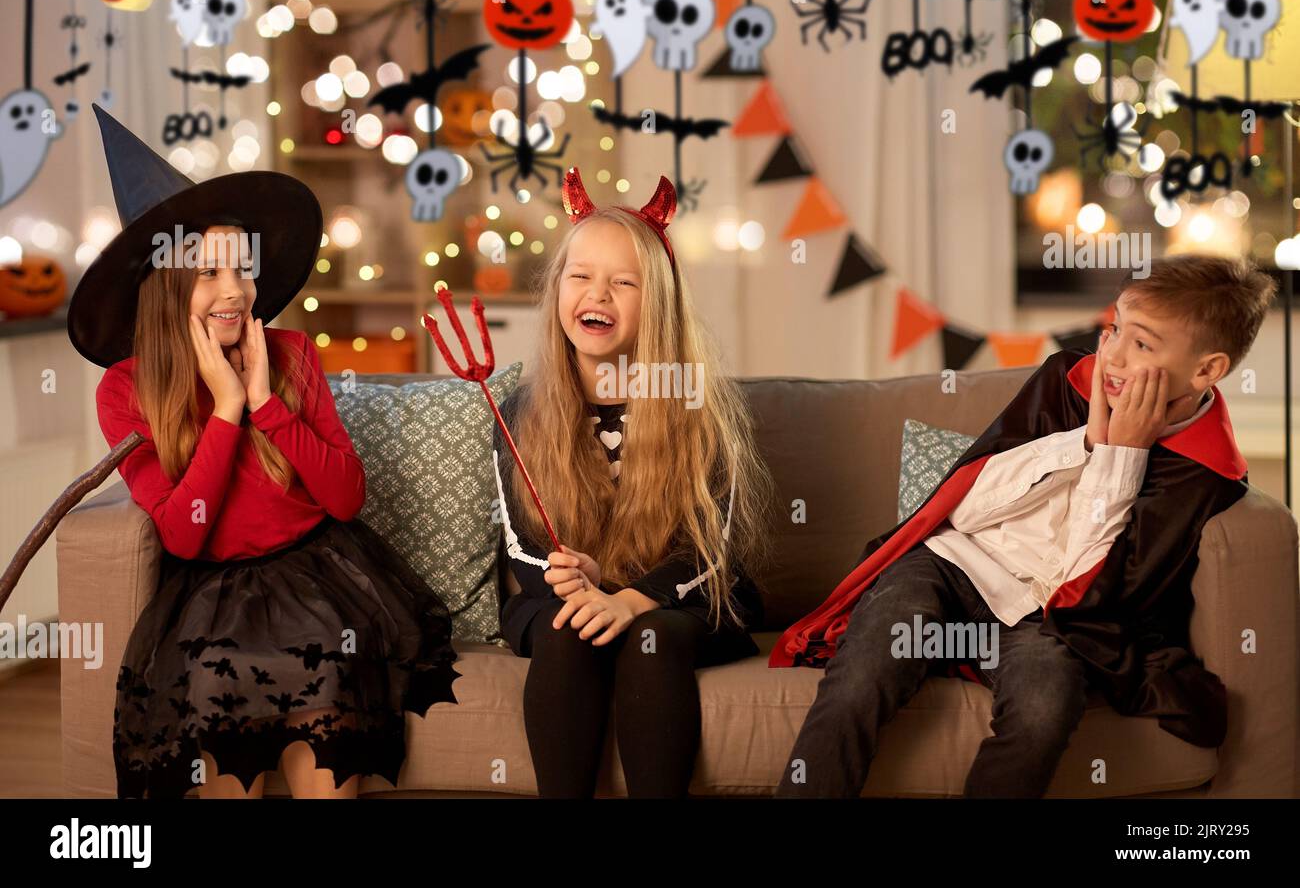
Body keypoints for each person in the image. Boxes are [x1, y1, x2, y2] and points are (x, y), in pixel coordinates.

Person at [771, 254, 1277, 798]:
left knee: (1044, 709)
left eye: (1144, 345)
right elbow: (962, 506)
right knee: (870, 666)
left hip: (1047, 612)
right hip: (953, 563)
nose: (1113, 355)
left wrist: (1119, 457)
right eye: (1115, 330)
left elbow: (1092, 591)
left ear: (1207, 370)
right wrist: (1085, 441)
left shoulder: (1203, 472)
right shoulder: (1065, 379)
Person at [69, 106, 459, 798]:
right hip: (214, 589)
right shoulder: (124, 391)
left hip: (319, 573)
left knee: (328, 695)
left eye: (240, 271)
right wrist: (224, 409)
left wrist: (266, 403)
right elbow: (185, 536)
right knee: (221, 701)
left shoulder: (293, 354)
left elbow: (344, 496)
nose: (236, 291)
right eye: (210, 274)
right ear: (168, 286)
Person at [490, 168, 774, 797]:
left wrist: (628, 600)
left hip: (681, 598)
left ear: (660, 302)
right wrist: (575, 583)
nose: (600, 294)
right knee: (566, 633)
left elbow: (711, 547)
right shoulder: (520, 412)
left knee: (651, 637)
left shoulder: (697, 408)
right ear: (559, 288)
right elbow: (520, 542)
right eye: (581, 276)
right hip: (568, 596)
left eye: (625, 282)